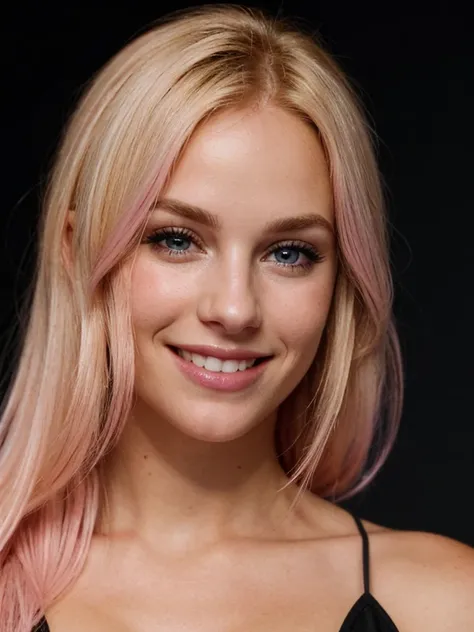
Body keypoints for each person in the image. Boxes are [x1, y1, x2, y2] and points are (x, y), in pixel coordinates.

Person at [0, 4, 473, 631]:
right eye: (176, 239)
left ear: (342, 279)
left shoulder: (446, 602)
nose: (233, 308)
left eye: (289, 253)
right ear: (76, 249)